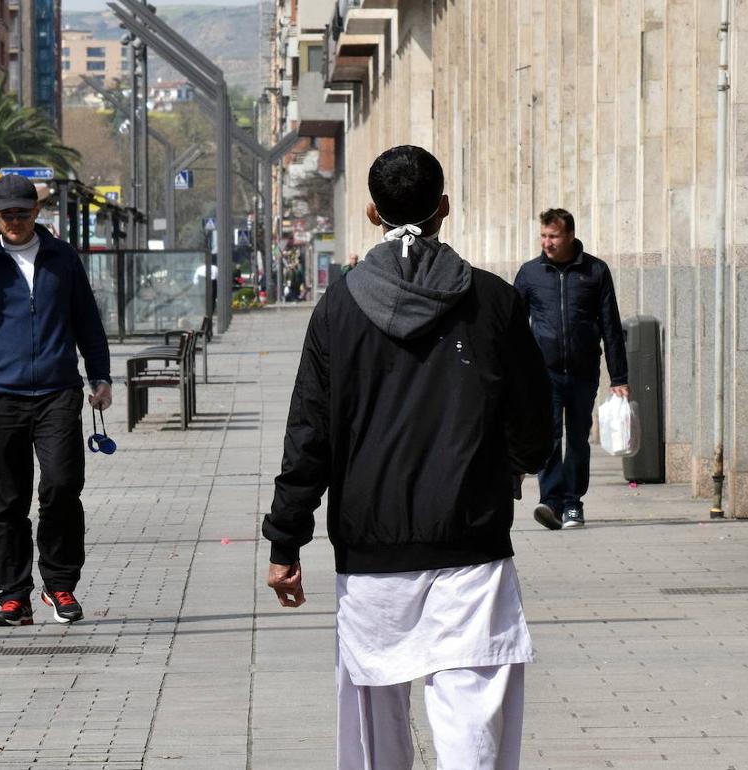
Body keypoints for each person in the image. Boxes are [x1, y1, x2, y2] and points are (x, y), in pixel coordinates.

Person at [264, 145, 552, 769]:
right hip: (471, 541)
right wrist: (513, 468)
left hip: (371, 547)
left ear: (371, 213)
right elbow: (535, 421)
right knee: (473, 713)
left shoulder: (337, 310)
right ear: (445, 208)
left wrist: (286, 542)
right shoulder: (494, 304)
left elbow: (309, 434)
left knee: (374, 718)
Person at [0, 173, 112, 628]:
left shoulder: (61, 257)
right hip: (0, 396)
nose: (14, 221)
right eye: (6, 213)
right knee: (4, 500)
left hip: (57, 392)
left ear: (37, 212)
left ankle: (60, 585)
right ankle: (14, 595)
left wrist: (101, 376)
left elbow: (86, 319)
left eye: (22, 213)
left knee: (62, 487)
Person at [513, 208, 629, 530]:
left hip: (582, 370)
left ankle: (572, 504)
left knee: (578, 439)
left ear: (570, 236)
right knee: (549, 437)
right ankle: (550, 502)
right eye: (543, 236)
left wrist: (619, 376)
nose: (547, 243)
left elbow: (610, 325)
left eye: (553, 236)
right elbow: (514, 326)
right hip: (544, 372)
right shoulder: (530, 274)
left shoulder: (595, 271)